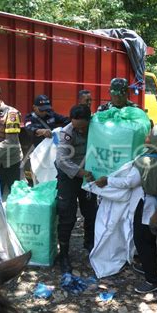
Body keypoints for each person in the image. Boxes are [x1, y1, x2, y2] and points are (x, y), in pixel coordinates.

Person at [94, 125, 157, 293]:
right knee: (149, 240)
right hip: (156, 206)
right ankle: (147, 266)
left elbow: (129, 182)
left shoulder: (147, 161)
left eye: (151, 134)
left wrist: (107, 180)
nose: (147, 135)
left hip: (146, 205)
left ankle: (152, 280)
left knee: (142, 240)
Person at [55, 104, 97, 273]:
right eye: (76, 127)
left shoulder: (97, 128)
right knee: (66, 213)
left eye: (83, 128)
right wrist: (82, 173)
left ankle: (90, 244)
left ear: (89, 120)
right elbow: (62, 161)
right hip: (70, 174)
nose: (79, 131)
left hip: (89, 173)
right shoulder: (67, 132)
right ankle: (63, 254)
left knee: (91, 212)